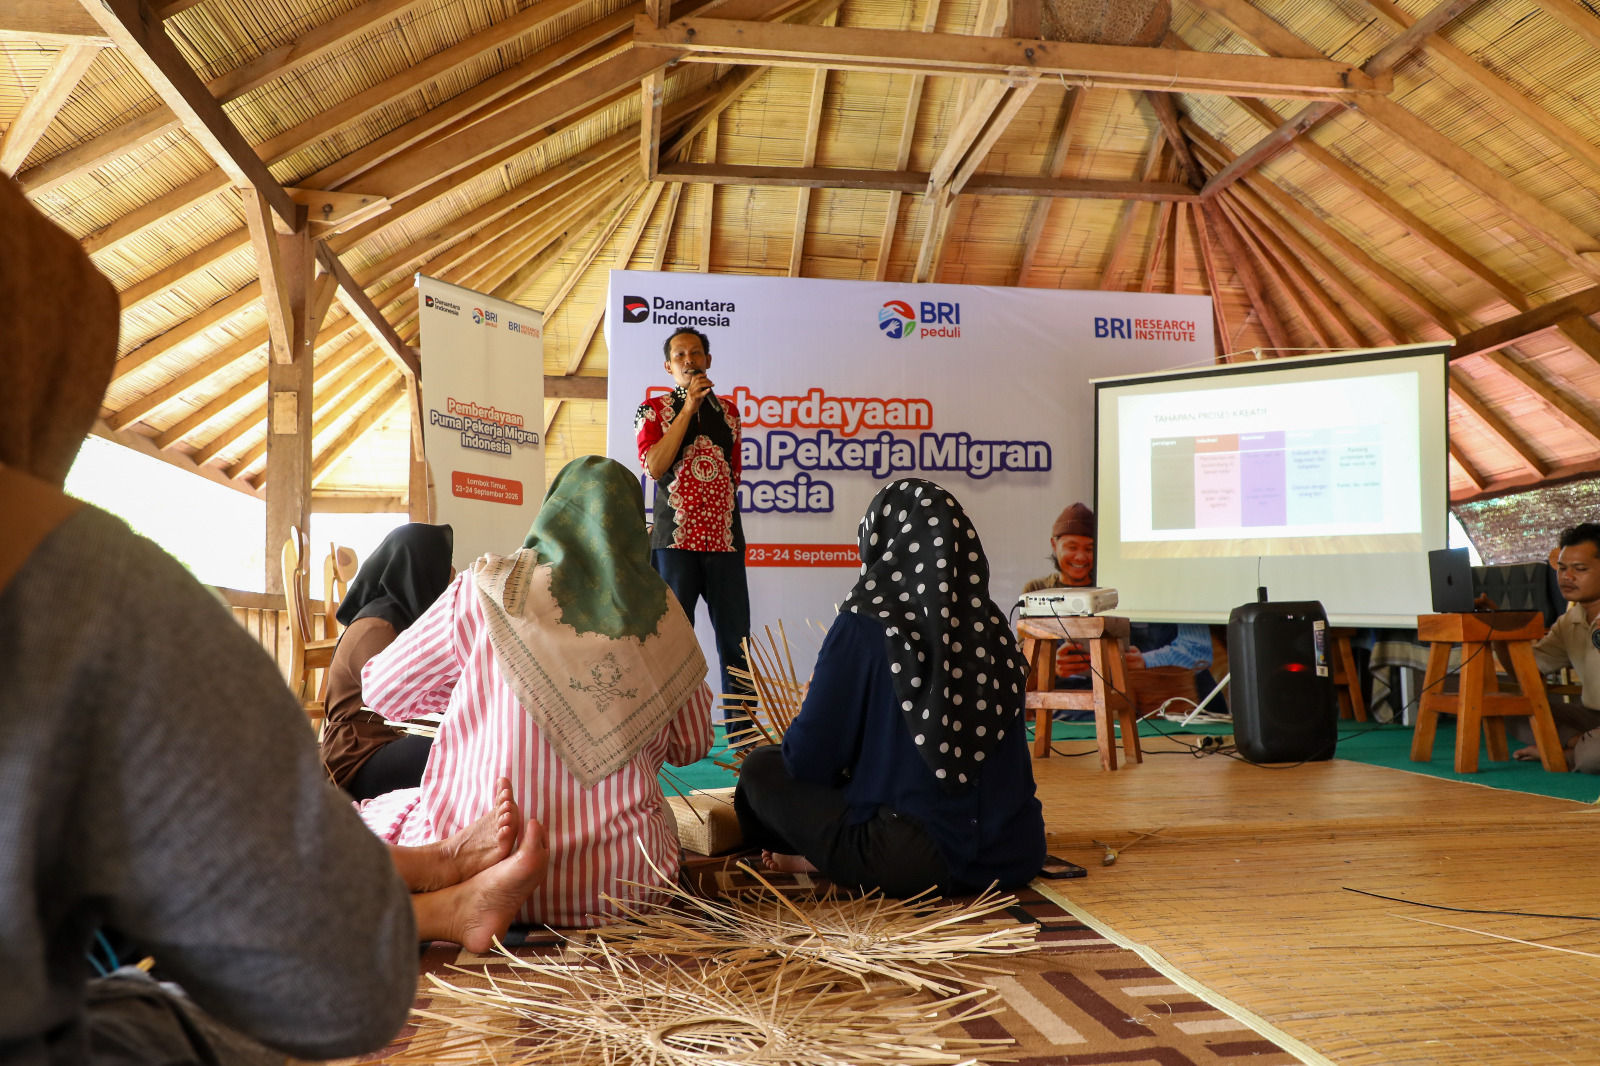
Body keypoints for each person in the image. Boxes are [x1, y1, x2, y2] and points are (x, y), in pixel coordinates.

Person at [0, 176, 417, 1060]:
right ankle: (436, 891)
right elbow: (345, 987)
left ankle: (431, 875)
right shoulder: (79, 585)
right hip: (351, 769)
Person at [357, 456, 716, 927]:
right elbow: (693, 745)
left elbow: (383, 691)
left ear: (554, 511)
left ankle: (457, 891)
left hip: (482, 854)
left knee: (353, 826)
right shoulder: (664, 618)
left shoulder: (487, 587)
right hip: (629, 885)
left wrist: (479, 694)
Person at [733, 478, 1046, 897]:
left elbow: (808, 762)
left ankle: (823, 858)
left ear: (879, 543)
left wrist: (808, 710)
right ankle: (827, 858)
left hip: (913, 859)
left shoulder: (864, 623)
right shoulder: (993, 630)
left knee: (759, 770)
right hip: (1016, 853)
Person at [634, 327, 754, 744]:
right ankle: (659, 738)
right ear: (669, 367)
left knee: (736, 646)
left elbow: (732, 476)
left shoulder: (731, 414)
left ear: (708, 361)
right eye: (681, 355)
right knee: (669, 644)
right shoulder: (652, 410)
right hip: (674, 545)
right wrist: (687, 410)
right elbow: (654, 466)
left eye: (697, 353)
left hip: (724, 543)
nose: (690, 360)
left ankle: (743, 741)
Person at [1024, 501, 1217, 715]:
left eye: (1090, 549)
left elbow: (1197, 650)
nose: (1080, 557)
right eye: (1071, 547)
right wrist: (1054, 666)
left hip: (1144, 699)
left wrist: (1141, 660)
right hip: (1070, 702)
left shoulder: (1118, 587)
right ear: (1054, 544)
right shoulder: (1036, 590)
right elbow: (1025, 659)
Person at [321, 521, 455, 799]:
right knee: (457, 747)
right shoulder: (378, 627)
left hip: (385, 742)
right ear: (420, 571)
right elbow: (410, 704)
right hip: (357, 758)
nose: (452, 575)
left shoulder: (397, 621)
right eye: (444, 567)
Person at [1508, 523, 1600, 773]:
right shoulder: (1570, 620)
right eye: (1561, 568)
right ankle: (1577, 746)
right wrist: (1499, 632)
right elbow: (1527, 669)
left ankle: (1570, 753)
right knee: (1513, 711)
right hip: (1591, 716)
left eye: (1579, 569)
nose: (1566, 577)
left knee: (1595, 755)